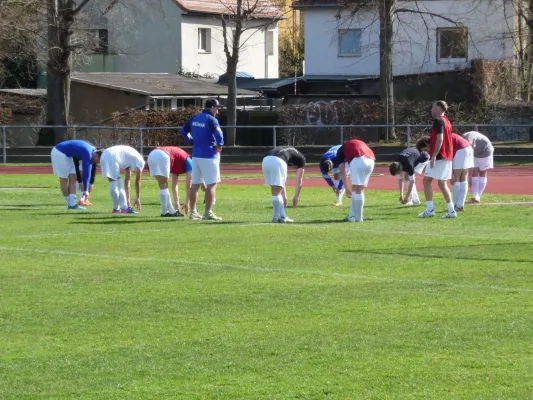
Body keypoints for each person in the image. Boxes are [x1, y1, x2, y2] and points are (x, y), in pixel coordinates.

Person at [180, 98, 224, 221]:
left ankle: (193, 212)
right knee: (211, 184)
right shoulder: (211, 119)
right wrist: (219, 145)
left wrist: (191, 141)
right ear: (212, 107)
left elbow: (183, 131)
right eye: (217, 108)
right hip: (209, 155)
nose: (218, 111)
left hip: (196, 155)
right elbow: (219, 135)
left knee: (195, 184)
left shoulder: (195, 118)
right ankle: (208, 212)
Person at [418, 101, 456, 219]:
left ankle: (430, 209)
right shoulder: (447, 120)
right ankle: (451, 210)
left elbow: (440, 139)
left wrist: (434, 155)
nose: (431, 109)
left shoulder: (438, 121)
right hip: (447, 155)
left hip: (440, 155)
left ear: (438, 108)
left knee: (427, 181)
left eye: (433, 107)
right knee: (442, 183)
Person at [50, 139, 101, 210]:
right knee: (64, 179)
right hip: (59, 152)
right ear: (97, 156)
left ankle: (73, 204)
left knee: (73, 177)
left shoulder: (92, 153)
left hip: (67, 155)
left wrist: (85, 188)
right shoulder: (88, 153)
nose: (97, 163)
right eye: (98, 161)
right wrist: (86, 190)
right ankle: (70, 204)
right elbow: (86, 171)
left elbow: (88, 172)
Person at [262, 146, 305, 223]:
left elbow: (282, 182)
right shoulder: (302, 160)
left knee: (275, 190)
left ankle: (283, 216)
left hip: (265, 160)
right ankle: (275, 217)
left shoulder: (289, 153)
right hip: (277, 160)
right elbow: (299, 180)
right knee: (277, 192)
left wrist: (284, 196)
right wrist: (296, 197)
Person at [336, 139, 375, 222]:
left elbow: (342, 172)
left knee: (357, 190)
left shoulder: (340, 151)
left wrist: (346, 188)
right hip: (371, 161)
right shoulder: (354, 144)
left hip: (359, 160)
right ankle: (352, 216)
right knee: (358, 189)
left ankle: (359, 218)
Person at [147, 146, 192, 217]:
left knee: (162, 184)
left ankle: (170, 211)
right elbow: (189, 184)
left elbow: (175, 185)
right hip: (163, 155)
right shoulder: (189, 161)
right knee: (163, 183)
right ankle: (165, 212)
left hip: (152, 154)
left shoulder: (179, 161)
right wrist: (187, 202)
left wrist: (177, 203)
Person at [100, 145, 145, 214]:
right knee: (113, 183)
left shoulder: (130, 159)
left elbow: (127, 180)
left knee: (119, 182)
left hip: (107, 153)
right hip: (112, 156)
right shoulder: (140, 161)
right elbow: (137, 181)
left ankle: (124, 208)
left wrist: (128, 200)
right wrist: (138, 198)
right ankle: (116, 209)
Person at [463, 131, 494, 203]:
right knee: (474, 172)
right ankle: (475, 197)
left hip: (485, 151)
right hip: (476, 153)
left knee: (482, 172)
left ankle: (477, 197)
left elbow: (470, 158)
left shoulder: (469, 140)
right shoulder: (463, 140)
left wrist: (469, 178)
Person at [451, 133, 474, 211]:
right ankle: (460, 204)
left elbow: (448, 155)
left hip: (461, 150)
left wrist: (451, 174)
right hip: (468, 148)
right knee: (463, 178)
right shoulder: (451, 135)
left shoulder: (442, 137)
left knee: (456, 178)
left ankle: (456, 205)